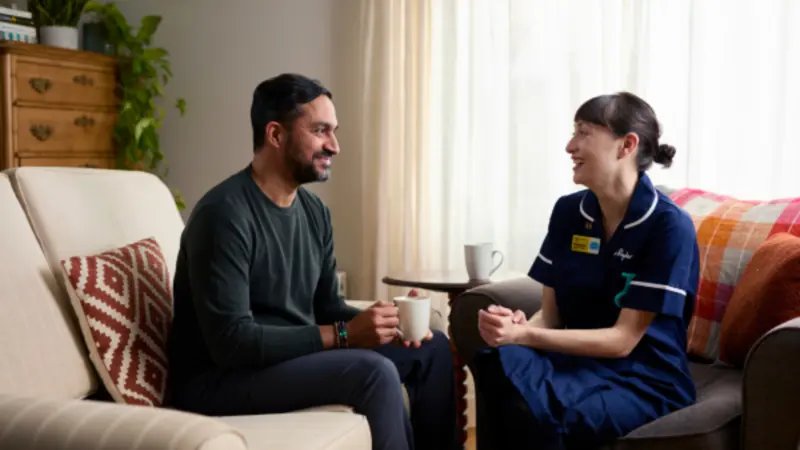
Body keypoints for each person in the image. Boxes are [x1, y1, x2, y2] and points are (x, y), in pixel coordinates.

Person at [165, 73, 458, 450]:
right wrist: (345, 336)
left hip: (286, 361)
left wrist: (389, 322)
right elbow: (231, 343)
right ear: (275, 135)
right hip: (220, 380)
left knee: (431, 349)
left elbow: (325, 307)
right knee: (373, 373)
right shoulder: (223, 215)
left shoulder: (314, 212)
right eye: (320, 131)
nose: (334, 145)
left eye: (334, 131)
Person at [469, 92, 700, 449]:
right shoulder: (568, 212)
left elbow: (623, 341)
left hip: (640, 378)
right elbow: (549, 315)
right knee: (496, 363)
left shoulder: (669, 227)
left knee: (540, 408)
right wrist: (516, 328)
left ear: (626, 145)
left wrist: (525, 338)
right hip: (574, 362)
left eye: (583, 132)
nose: (569, 145)